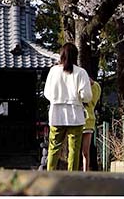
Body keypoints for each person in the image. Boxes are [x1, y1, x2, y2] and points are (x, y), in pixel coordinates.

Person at [43, 42, 92, 171]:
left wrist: (57, 98)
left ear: (61, 55)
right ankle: (72, 178)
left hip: (56, 114)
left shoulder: (53, 71)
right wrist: (77, 97)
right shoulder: (81, 73)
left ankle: (50, 175)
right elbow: (86, 96)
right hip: (75, 115)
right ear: (76, 56)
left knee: (53, 148)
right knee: (74, 150)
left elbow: (47, 93)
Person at [81, 78, 101, 171]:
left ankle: (86, 170)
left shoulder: (93, 93)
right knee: (78, 150)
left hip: (87, 123)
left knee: (85, 151)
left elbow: (95, 85)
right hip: (77, 122)